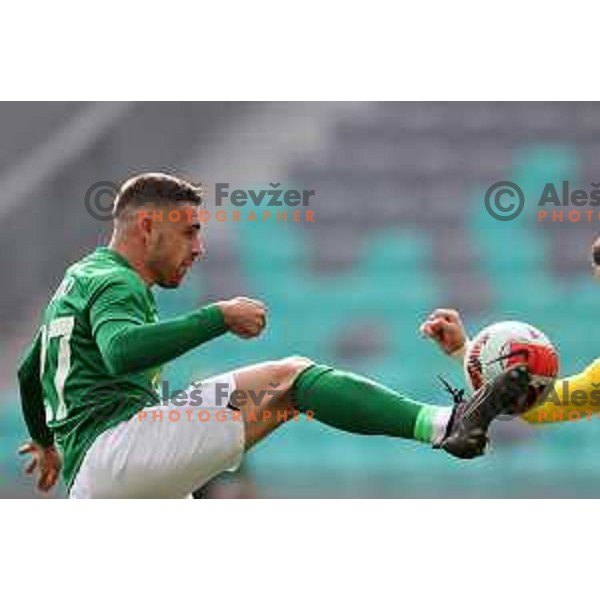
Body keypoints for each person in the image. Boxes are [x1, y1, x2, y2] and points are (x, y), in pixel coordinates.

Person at [17, 172, 531, 498]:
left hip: (93, 482)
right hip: (118, 458)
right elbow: (118, 352)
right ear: (147, 226)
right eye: (190, 231)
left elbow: (26, 371)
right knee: (291, 379)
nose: (199, 247)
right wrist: (217, 315)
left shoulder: (78, 280)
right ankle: (448, 423)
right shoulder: (117, 282)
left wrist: (45, 443)